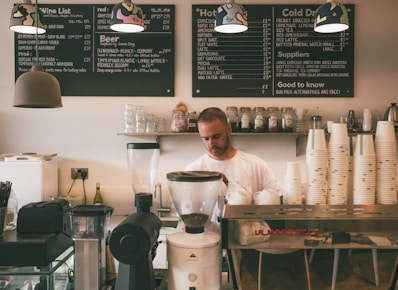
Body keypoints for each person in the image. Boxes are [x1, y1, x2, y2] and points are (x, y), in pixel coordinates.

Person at [184, 107, 285, 288]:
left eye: (216, 136)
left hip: (250, 251)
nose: (211, 144)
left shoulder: (255, 164)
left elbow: (278, 198)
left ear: (228, 130)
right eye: (205, 139)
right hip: (210, 253)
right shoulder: (193, 170)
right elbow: (186, 216)